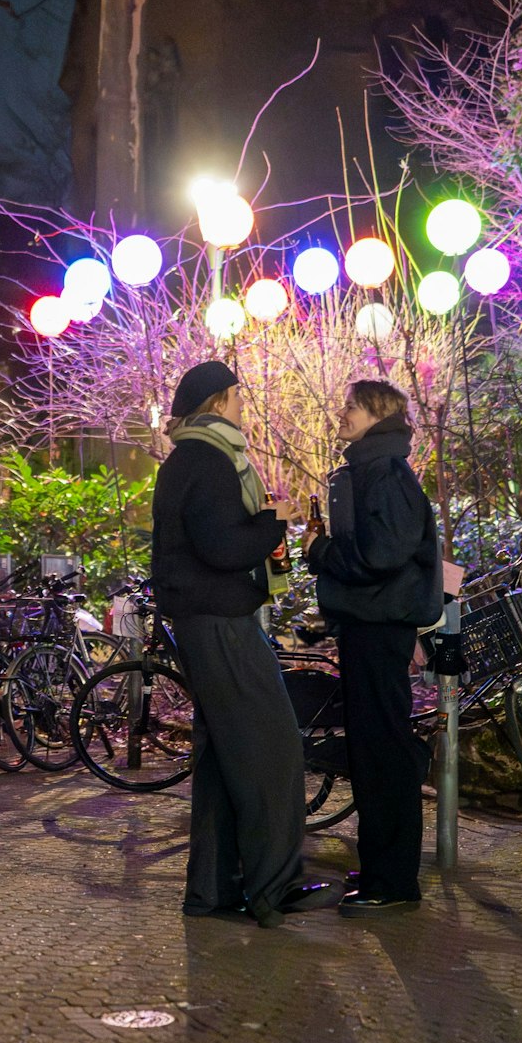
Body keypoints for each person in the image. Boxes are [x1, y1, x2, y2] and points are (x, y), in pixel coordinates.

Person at [150, 361, 335, 928]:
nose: (243, 409)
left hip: (205, 619)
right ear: (221, 401)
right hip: (222, 621)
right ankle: (275, 886)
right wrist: (270, 525)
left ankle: (213, 890)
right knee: (271, 750)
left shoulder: (189, 458)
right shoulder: (207, 459)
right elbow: (221, 546)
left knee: (221, 759)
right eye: (239, 399)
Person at [304, 379, 441, 918]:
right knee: (374, 751)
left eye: (351, 407)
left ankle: (394, 880)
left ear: (375, 415)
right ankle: (384, 868)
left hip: (380, 628)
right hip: (372, 626)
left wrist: (323, 552)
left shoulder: (385, 473)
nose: (343, 413)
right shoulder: (373, 470)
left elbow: (382, 554)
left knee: (381, 752)